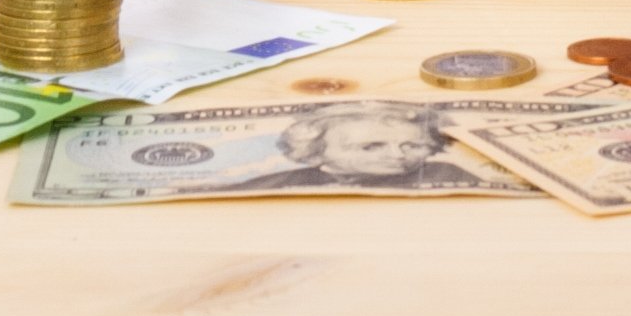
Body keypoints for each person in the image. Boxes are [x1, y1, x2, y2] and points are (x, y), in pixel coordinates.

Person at [210, 102, 496, 194]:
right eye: (371, 147)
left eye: (412, 145)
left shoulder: (443, 173)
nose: (398, 156)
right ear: (316, 150)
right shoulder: (277, 185)